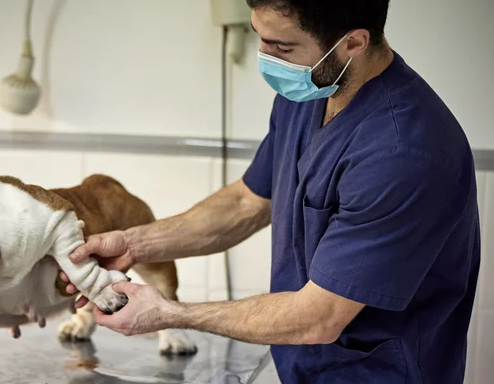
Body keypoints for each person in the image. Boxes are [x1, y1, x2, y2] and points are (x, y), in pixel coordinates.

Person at [60, 0, 481, 382]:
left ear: (352, 43)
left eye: (281, 48)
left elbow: (319, 318)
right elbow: (247, 202)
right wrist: (132, 243)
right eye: (258, 38)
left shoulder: (404, 151)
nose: (265, 58)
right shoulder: (310, 91)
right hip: (306, 366)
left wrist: (169, 314)